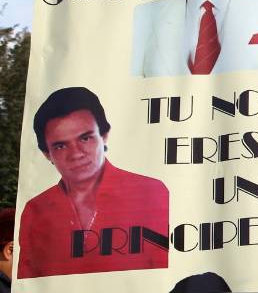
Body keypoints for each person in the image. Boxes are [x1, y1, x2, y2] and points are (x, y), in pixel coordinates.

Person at [17, 87, 169, 278]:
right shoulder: (35, 211)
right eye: (61, 145)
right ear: (47, 154)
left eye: (85, 138)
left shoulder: (149, 192)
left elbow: (166, 277)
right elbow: (29, 286)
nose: (76, 154)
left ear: (104, 136)